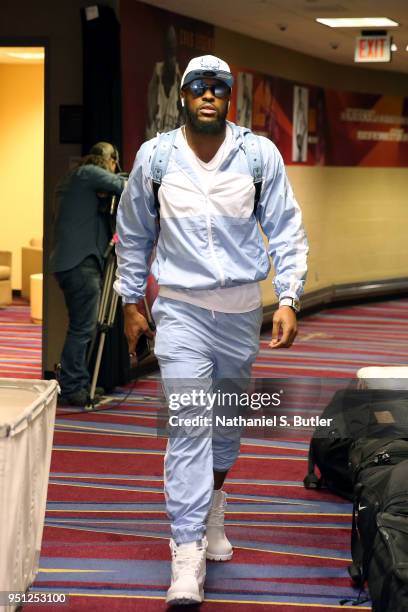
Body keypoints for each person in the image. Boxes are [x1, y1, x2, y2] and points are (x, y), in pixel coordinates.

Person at [114, 55, 308, 606]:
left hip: (242, 310)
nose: (207, 94)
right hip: (180, 311)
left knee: (225, 425)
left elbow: (287, 228)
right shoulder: (156, 158)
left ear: (229, 99)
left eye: (218, 88)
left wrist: (289, 296)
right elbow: (132, 232)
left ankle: (215, 504)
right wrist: (132, 300)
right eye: (197, 86)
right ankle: (186, 552)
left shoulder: (257, 155)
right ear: (182, 96)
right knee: (190, 424)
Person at [50, 142, 126, 406]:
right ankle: (73, 387)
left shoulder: (73, 179)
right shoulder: (88, 173)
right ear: (108, 160)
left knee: (81, 326)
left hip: (67, 262)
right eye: (115, 164)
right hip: (80, 264)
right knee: (83, 327)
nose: (115, 170)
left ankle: (78, 381)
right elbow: (123, 185)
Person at [145, 25, 182, 139]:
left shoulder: (177, 74)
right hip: (157, 126)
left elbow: (183, 103)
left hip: (173, 126)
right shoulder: (158, 71)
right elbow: (151, 98)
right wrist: (151, 121)